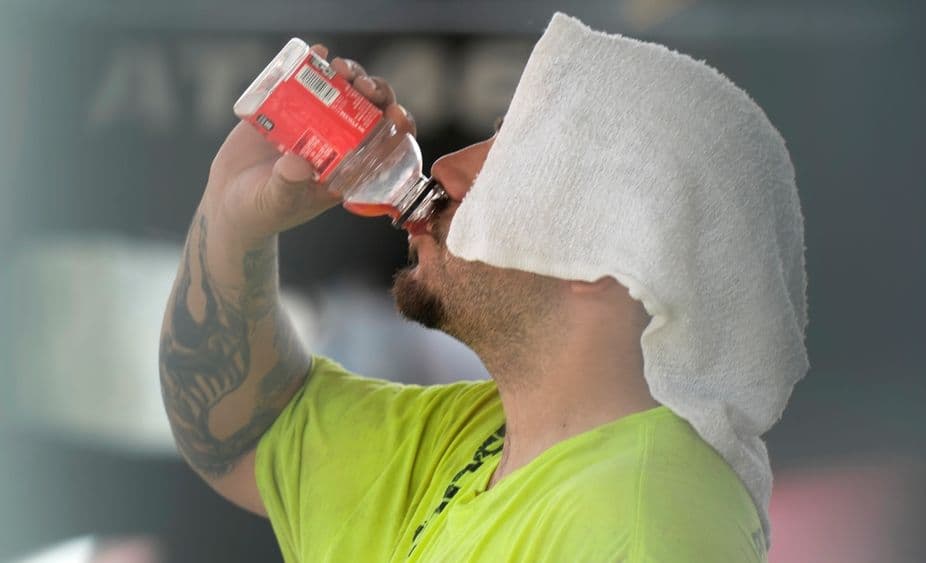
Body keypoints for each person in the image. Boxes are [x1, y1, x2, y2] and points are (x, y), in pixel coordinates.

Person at [159, 13, 807, 562]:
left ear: (601, 255)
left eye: (514, 154)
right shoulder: (480, 440)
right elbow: (242, 430)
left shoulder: (642, 527)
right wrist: (236, 214)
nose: (444, 167)